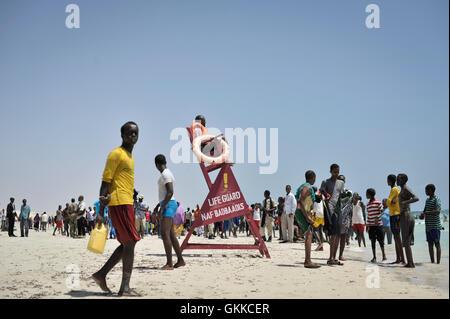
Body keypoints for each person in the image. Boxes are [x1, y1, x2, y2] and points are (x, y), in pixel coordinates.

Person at [91, 121, 142, 297]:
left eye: (136, 133)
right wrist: (100, 213)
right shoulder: (116, 154)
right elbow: (105, 182)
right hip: (119, 202)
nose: (133, 136)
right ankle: (125, 288)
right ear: (122, 135)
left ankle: (101, 275)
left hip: (126, 202)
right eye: (130, 133)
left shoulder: (129, 156)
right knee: (130, 242)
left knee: (127, 243)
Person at [154, 154, 185, 270]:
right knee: (171, 235)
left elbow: (170, 192)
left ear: (156, 165)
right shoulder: (167, 172)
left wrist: (162, 207)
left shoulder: (165, 174)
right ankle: (180, 260)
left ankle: (169, 264)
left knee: (164, 233)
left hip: (168, 206)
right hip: (167, 204)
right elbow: (166, 194)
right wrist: (158, 205)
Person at [320, 164, 345, 266]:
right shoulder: (326, 182)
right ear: (330, 171)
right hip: (330, 210)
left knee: (338, 234)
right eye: (334, 172)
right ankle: (330, 257)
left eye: (337, 172)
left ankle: (334, 257)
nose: (336, 174)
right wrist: (325, 195)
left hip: (339, 210)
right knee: (333, 234)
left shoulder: (341, 183)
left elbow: (342, 195)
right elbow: (321, 191)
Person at [295, 170, 321, 268]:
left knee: (308, 234)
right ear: (313, 178)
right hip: (301, 213)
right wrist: (307, 217)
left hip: (303, 212)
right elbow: (300, 201)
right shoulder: (307, 187)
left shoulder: (306, 186)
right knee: (309, 235)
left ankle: (308, 260)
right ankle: (308, 261)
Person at [397, 173, 419, 268]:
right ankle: (410, 262)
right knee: (406, 241)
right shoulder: (402, 189)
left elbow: (416, 198)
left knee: (406, 241)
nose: (397, 180)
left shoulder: (405, 188)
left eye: (399, 179)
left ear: (403, 180)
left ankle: (410, 263)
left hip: (406, 215)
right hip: (404, 215)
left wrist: (405, 202)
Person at [386, 174, 405, 264]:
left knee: (397, 237)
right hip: (394, 214)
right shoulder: (395, 189)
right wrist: (390, 201)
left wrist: (389, 201)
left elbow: (388, 202)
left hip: (395, 215)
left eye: (387, 180)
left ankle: (402, 259)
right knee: (396, 237)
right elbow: (390, 202)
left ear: (390, 181)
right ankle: (398, 258)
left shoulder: (394, 189)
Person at [420, 184, 441, 264]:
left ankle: (438, 263)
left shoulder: (437, 199)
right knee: (430, 244)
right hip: (428, 226)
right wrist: (422, 215)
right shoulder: (427, 200)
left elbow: (438, 211)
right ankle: (432, 262)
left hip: (435, 226)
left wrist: (427, 213)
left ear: (431, 190)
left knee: (437, 244)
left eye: (427, 190)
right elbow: (424, 211)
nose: (425, 192)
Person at [366, 188, 386, 263]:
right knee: (372, 241)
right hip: (371, 225)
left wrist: (379, 215)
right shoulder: (367, 204)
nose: (366, 195)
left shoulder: (378, 202)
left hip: (378, 225)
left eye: (367, 194)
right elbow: (368, 216)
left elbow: (382, 211)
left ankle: (384, 255)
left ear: (370, 195)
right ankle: (374, 257)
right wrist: (367, 226)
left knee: (381, 241)